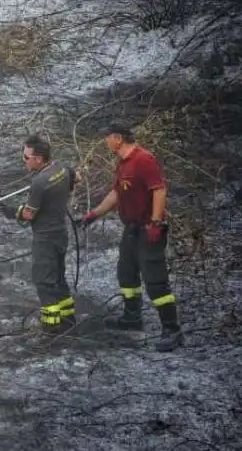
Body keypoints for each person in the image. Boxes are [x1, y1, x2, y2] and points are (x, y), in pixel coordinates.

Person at [78, 123, 184, 352]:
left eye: (107, 138)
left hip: (148, 229)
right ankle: (132, 317)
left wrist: (156, 222)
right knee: (126, 274)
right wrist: (94, 214)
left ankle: (172, 330)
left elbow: (159, 190)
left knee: (155, 279)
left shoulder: (143, 159)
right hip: (132, 229)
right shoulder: (123, 163)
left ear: (117, 138)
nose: (105, 142)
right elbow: (117, 193)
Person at [3, 135, 78, 335]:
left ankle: (51, 328)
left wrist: (11, 211)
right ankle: (69, 319)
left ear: (39, 158)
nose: (24, 160)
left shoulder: (40, 182)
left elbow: (28, 214)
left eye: (26, 157)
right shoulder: (60, 168)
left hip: (45, 238)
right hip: (61, 233)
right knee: (59, 277)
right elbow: (75, 177)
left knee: (44, 281)